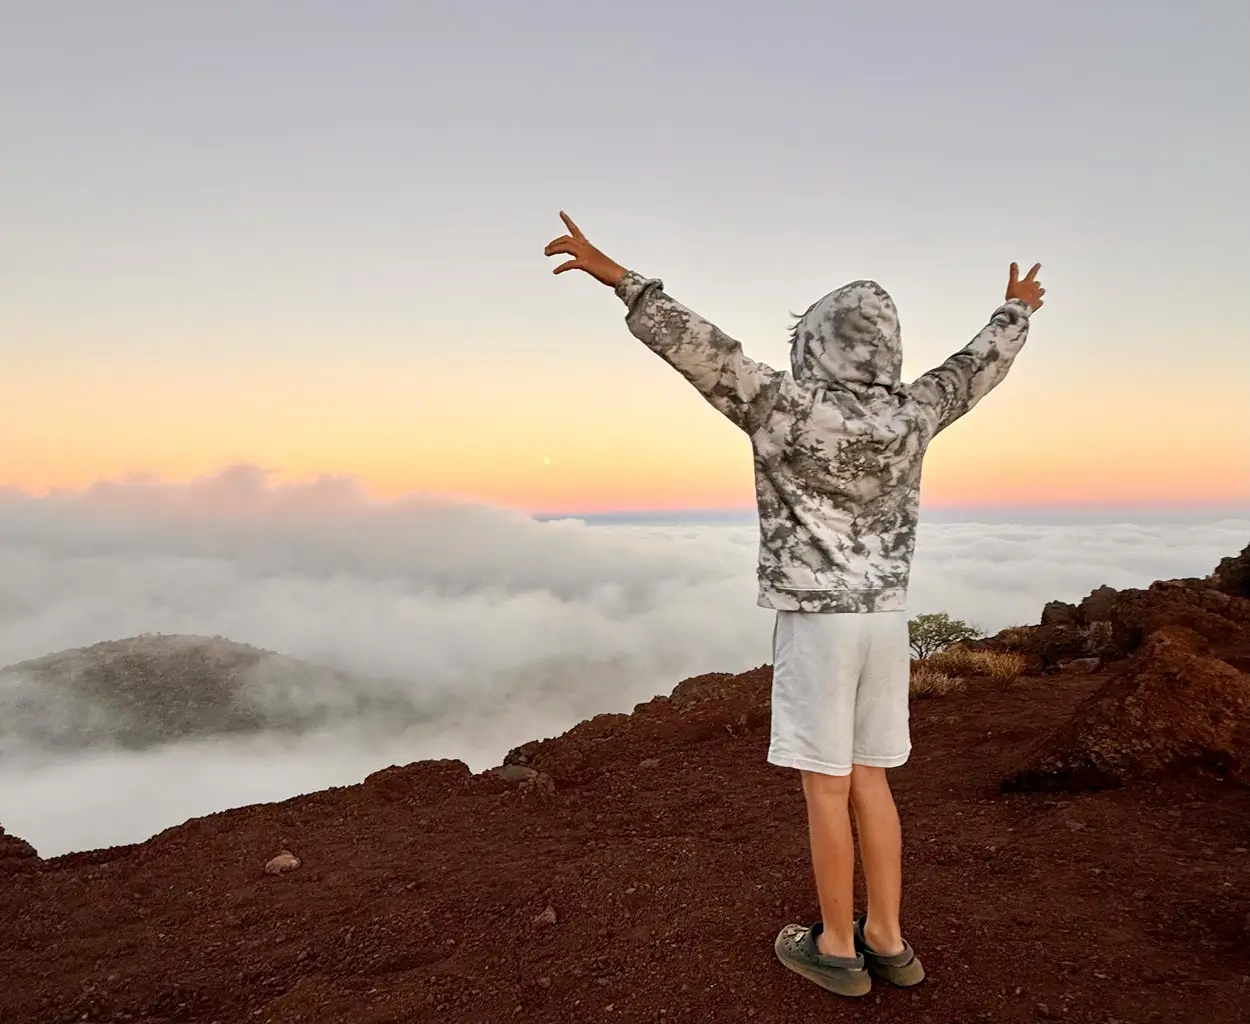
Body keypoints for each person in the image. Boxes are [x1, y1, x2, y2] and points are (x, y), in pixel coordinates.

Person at [544, 212, 1044, 998]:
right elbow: (971, 369)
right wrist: (1015, 311)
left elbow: (700, 349)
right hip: (887, 622)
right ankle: (890, 938)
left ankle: (838, 948)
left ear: (816, 343)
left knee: (826, 785)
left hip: (818, 623)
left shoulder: (783, 407)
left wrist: (620, 277)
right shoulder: (912, 414)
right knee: (873, 778)